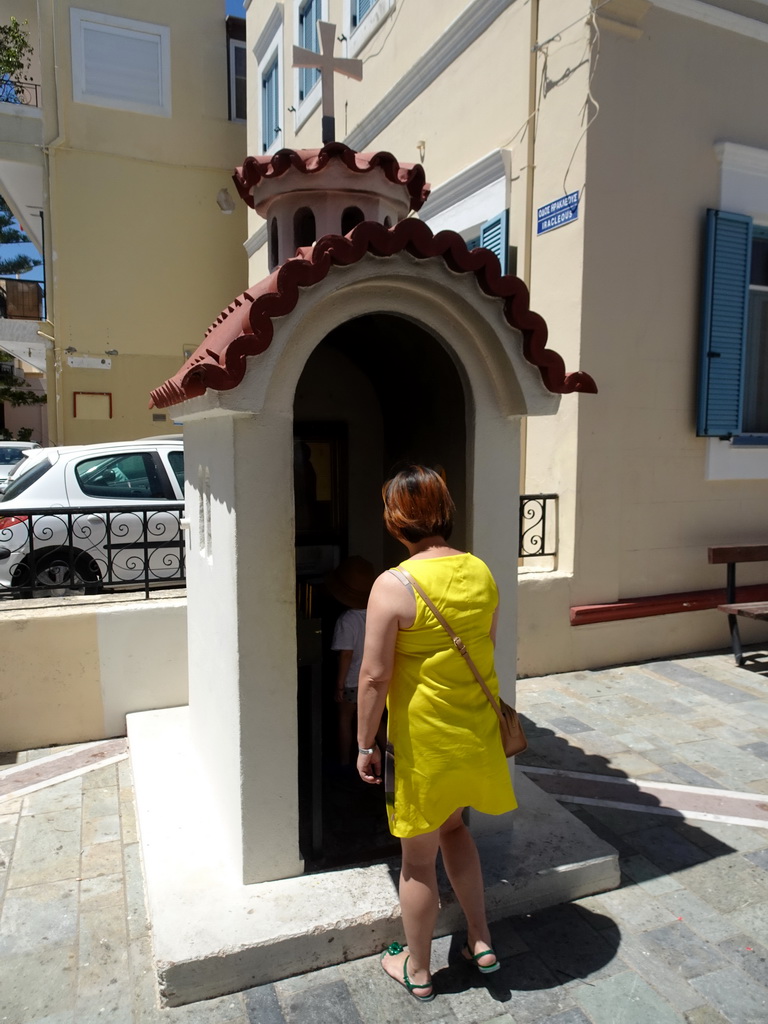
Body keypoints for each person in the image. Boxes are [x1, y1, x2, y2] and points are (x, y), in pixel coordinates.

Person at [356, 465, 517, 1002]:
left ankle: (419, 970)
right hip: (471, 737)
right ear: (444, 512)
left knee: (417, 860)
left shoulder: (393, 585)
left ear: (396, 522)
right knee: (456, 832)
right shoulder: (481, 572)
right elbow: (484, 648)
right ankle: (481, 940)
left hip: (422, 746)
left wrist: (364, 743)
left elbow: (375, 676)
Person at [326, 556, 377, 765]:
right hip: (373, 676)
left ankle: (345, 763)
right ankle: (394, 758)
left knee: (345, 720)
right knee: (376, 721)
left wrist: (339, 684)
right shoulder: (375, 613)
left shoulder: (347, 620)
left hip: (352, 679)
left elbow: (346, 654)